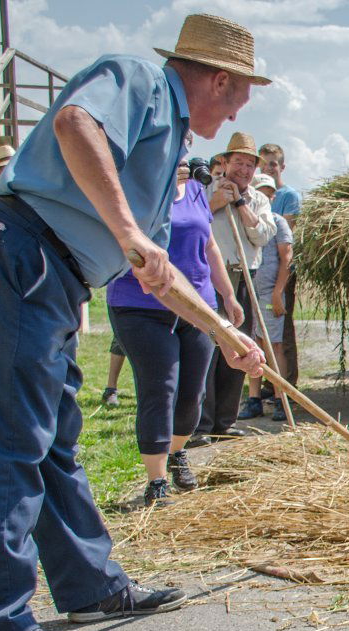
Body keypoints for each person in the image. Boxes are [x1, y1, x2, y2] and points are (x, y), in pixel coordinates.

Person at [0, 13, 269, 631]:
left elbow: (158, 270)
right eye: (242, 92)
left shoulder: (172, 140)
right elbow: (74, 123)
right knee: (10, 435)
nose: (241, 109)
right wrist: (128, 232)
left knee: (53, 436)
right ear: (219, 79)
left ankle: (90, 586)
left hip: (56, 275)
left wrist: (223, 332)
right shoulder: (138, 81)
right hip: (23, 252)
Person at [106, 159, 243, 505]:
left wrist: (227, 295)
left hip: (197, 306)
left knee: (192, 392)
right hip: (141, 304)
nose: (182, 158)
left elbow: (209, 246)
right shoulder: (137, 190)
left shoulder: (197, 191)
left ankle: (177, 451)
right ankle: (156, 481)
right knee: (160, 386)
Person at [197, 130, 276, 440]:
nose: (244, 170)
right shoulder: (205, 190)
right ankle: (201, 424)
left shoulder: (258, 199)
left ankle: (225, 422)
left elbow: (263, 236)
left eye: (249, 165)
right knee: (210, 346)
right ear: (225, 163)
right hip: (212, 277)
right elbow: (194, 223)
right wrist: (218, 202)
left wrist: (241, 203)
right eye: (239, 163)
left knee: (240, 346)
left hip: (244, 278)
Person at [240, 173, 293, 422]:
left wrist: (277, 293)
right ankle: (253, 399)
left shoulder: (277, 222)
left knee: (274, 345)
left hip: (269, 292)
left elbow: (286, 258)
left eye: (270, 194)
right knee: (252, 345)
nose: (267, 198)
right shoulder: (244, 219)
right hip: (249, 290)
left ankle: (281, 398)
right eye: (262, 193)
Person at [258, 142, 303, 388]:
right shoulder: (255, 194)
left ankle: (287, 384)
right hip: (260, 272)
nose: (268, 168)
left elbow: (284, 235)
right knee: (260, 330)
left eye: (273, 164)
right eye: (264, 164)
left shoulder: (288, 196)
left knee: (281, 329)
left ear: (282, 167)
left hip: (281, 272)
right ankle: (269, 383)